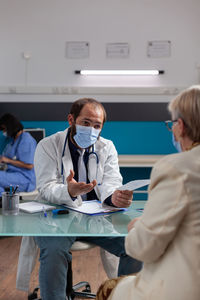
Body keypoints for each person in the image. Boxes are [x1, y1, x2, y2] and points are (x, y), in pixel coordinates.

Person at [16, 98, 142, 300]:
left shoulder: (107, 147)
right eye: (86, 123)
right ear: (71, 120)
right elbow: (46, 188)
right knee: (55, 251)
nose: (91, 129)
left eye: (97, 125)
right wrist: (69, 191)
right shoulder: (48, 145)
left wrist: (115, 197)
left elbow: (111, 182)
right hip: (56, 217)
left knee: (136, 243)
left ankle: (125, 296)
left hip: (97, 219)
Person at [96, 85, 200, 300]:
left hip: (184, 286)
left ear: (180, 126)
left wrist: (137, 226)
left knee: (108, 290)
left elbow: (143, 248)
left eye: (171, 124)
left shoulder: (174, 168)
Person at [0, 113, 37, 195]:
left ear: (10, 127)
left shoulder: (26, 140)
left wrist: (7, 160)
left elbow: (29, 165)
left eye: (4, 129)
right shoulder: (13, 141)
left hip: (25, 179)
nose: (4, 132)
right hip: (12, 174)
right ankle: (3, 201)